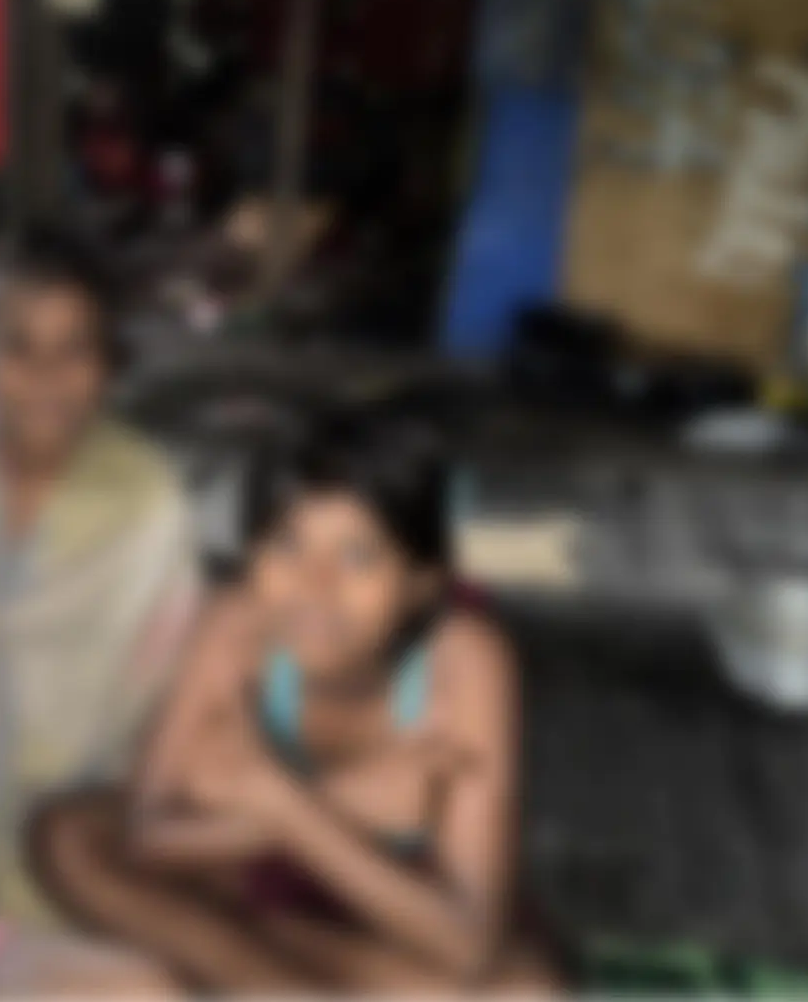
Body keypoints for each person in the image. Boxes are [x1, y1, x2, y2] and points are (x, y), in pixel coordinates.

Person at [29, 423, 560, 994]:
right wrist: (349, 801)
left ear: (420, 583)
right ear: (252, 553)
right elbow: (144, 836)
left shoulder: (464, 661)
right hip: (244, 894)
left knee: (525, 992)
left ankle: (248, 977)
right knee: (65, 835)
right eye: (286, 544)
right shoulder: (237, 623)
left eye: (357, 556)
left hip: (385, 914)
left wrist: (284, 807)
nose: (314, 585)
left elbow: (466, 945)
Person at [0, 227, 199, 993]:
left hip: (85, 856)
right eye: (20, 348)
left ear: (106, 363)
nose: (47, 379)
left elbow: (166, 699)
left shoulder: (145, 498)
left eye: (76, 349)